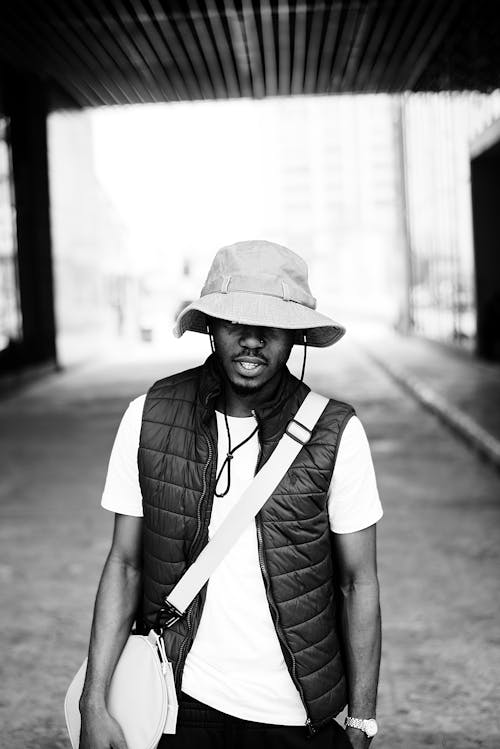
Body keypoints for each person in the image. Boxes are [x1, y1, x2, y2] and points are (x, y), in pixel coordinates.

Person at [79, 240, 382, 749]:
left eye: (273, 326)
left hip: (296, 717)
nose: (253, 341)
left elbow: (359, 582)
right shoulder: (148, 416)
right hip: (177, 707)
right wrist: (94, 701)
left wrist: (362, 720)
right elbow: (125, 564)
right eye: (236, 322)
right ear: (212, 328)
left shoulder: (336, 433)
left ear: (296, 337)